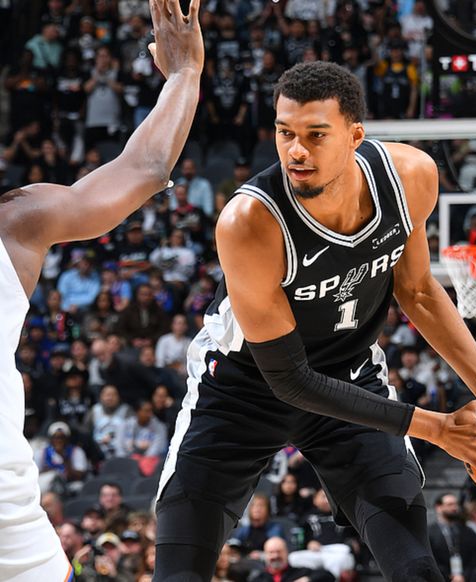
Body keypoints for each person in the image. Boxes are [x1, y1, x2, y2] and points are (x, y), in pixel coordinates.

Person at [154, 61, 476, 582]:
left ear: (355, 136)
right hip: (240, 392)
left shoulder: (408, 178)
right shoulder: (249, 222)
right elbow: (290, 380)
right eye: (285, 133)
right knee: (179, 573)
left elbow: (419, 293)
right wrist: (439, 429)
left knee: (416, 569)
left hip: (350, 382)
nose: (296, 151)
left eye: (316, 135)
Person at [0, 0, 203, 579]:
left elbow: (144, 169)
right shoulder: (14, 222)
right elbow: (144, 168)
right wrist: (185, 74)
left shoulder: (13, 224)